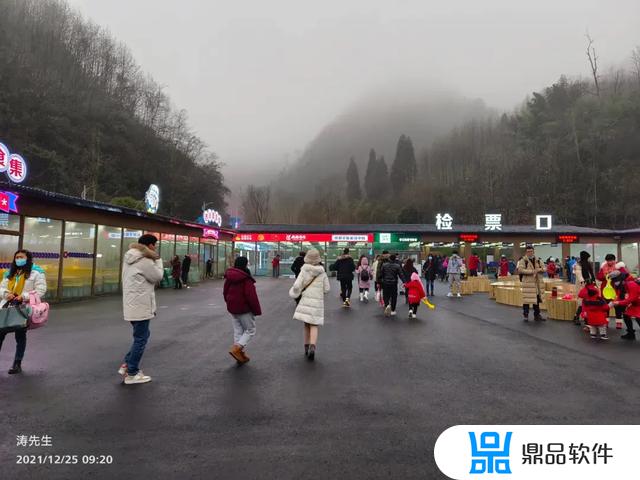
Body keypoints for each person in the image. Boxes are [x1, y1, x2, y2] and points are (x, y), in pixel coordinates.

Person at [119, 234, 164, 385]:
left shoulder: (130, 257)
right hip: (140, 305)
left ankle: (127, 364)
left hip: (132, 305)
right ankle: (132, 372)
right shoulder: (144, 260)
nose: (156, 247)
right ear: (150, 245)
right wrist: (158, 260)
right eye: (155, 245)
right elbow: (157, 276)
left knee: (141, 336)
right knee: (141, 339)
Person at [0, 250, 47, 374]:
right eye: (16, 257)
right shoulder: (9, 273)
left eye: (21, 257)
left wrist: (24, 296)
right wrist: (6, 293)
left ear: (28, 258)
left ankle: (17, 363)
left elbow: (41, 289)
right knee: (0, 334)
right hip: (6, 307)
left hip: (23, 309)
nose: (18, 259)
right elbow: (1, 287)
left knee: (20, 336)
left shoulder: (36, 272)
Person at [289, 249, 330, 361]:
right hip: (317, 302)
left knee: (306, 324)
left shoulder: (304, 271)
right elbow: (327, 289)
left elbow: (297, 286)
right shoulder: (322, 273)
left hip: (306, 300)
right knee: (314, 325)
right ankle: (313, 347)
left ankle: (306, 347)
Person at [223, 256, 262, 364]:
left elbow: (225, 292)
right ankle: (237, 349)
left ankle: (239, 354)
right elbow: (251, 296)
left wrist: (229, 303)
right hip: (244, 308)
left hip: (232, 308)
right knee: (250, 330)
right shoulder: (246, 278)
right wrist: (256, 310)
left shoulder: (230, 276)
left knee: (238, 330)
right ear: (245, 264)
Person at [516, 245, 546, 322]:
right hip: (528, 284)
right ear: (526, 252)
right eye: (528, 251)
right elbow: (520, 270)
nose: (530, 253)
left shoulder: (538, 260)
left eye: (531, 251)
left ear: (533, 251)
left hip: (537, 284)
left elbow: (544, 268)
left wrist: (538, 270)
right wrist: (532, 272)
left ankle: (537, 315)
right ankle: (526, 315)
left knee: (536, 300)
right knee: (526, 300)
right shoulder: (523, 260)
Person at [609, 269, 640, 340]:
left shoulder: (631, 284)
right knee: (626, 315)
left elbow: (632, 298)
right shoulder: (623, 284)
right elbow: (620, 296)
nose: (614, 282)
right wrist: (614, 302)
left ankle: (631, 334)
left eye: (615, 280)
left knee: (638, 318)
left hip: (637, 302)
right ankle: (630, 333)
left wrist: (619, 302)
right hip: (636, 303)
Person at [597, 254, 623, 329]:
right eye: (608, 261)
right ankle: (606, 321)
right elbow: (599, 277)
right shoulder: (603, 267)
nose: (609, 262)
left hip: (616, 289)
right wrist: (606, 276)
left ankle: (619, 322)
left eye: (611, 260)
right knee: (605, 306)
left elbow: (624, 275)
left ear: (614, 260)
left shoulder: (619, 266)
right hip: (605, 290)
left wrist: (616, 275)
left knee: (617, 306)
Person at [573, 250, 595, 325]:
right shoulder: (578, 265)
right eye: (588, 258)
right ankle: (576, 317)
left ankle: (585, 318)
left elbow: (591, 274)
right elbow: (579, 275)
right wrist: (583, 283)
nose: (589, 259)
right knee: (581, 301)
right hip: (581, 285)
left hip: (589, 284)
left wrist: (593, 281)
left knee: (587, 301)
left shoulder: (587, 264)